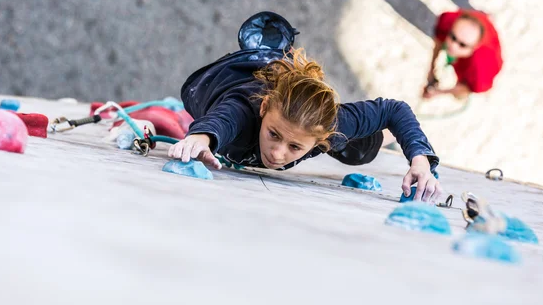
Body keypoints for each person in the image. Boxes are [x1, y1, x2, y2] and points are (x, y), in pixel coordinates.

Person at [170, 12, 442, 202]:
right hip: (228, 77)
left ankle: (369, 141)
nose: (277, 154)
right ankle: (270, 49)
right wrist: (200, 137)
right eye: (273, 134)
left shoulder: (332, 127)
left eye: (295, 147)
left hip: (312, 114)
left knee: (361, 150)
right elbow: (223, 119)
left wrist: (420, 159)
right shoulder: (246, 109)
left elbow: (393, 110)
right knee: (236, 122)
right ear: (265, 108)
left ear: (319, 140)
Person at [423, 10, 503, 100]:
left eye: (462, 45)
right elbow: (439, 39)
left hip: (482, 57)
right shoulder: (450, 21)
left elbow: (470, 88)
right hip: (479, 23)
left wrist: (439, 92)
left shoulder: (480, 67)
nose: (453, 46)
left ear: (475, 47)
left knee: (460, 95)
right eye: (452, 36)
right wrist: (431, 69)